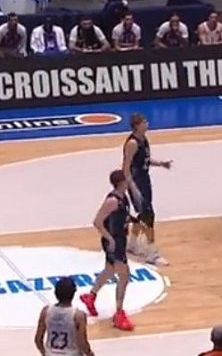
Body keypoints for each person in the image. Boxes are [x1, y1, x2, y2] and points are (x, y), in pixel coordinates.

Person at [79, 170, 135, 331]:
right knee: (124, 275)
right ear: (122, 182)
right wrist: (109, 239)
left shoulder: (123, 197)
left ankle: (91, 296)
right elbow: (97, 221)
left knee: (109, 270)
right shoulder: (112, 201)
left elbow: (120, 216)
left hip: (120, 239)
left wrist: (132, 220)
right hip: (114, 241)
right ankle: (119, 313)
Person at [122, 113, 172, 265]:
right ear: (137, 125)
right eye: (144, 122)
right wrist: (132, 187)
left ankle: (132, 244)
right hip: (136, 182)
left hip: (144, 179)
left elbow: (144, 160)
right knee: (148, 216)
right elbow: (126, 167)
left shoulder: (143, 139)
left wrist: (161, 164)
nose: (147, 123)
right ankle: (152, 254)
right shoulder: (132, 143)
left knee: (142, 214)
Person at [34, 277, 94, 356]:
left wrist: (45, 353)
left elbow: (38, 340)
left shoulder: (46, 311)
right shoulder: (78, 315)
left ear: (55, 292)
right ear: (73, 293)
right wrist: (90, 354)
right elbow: (82, 343)